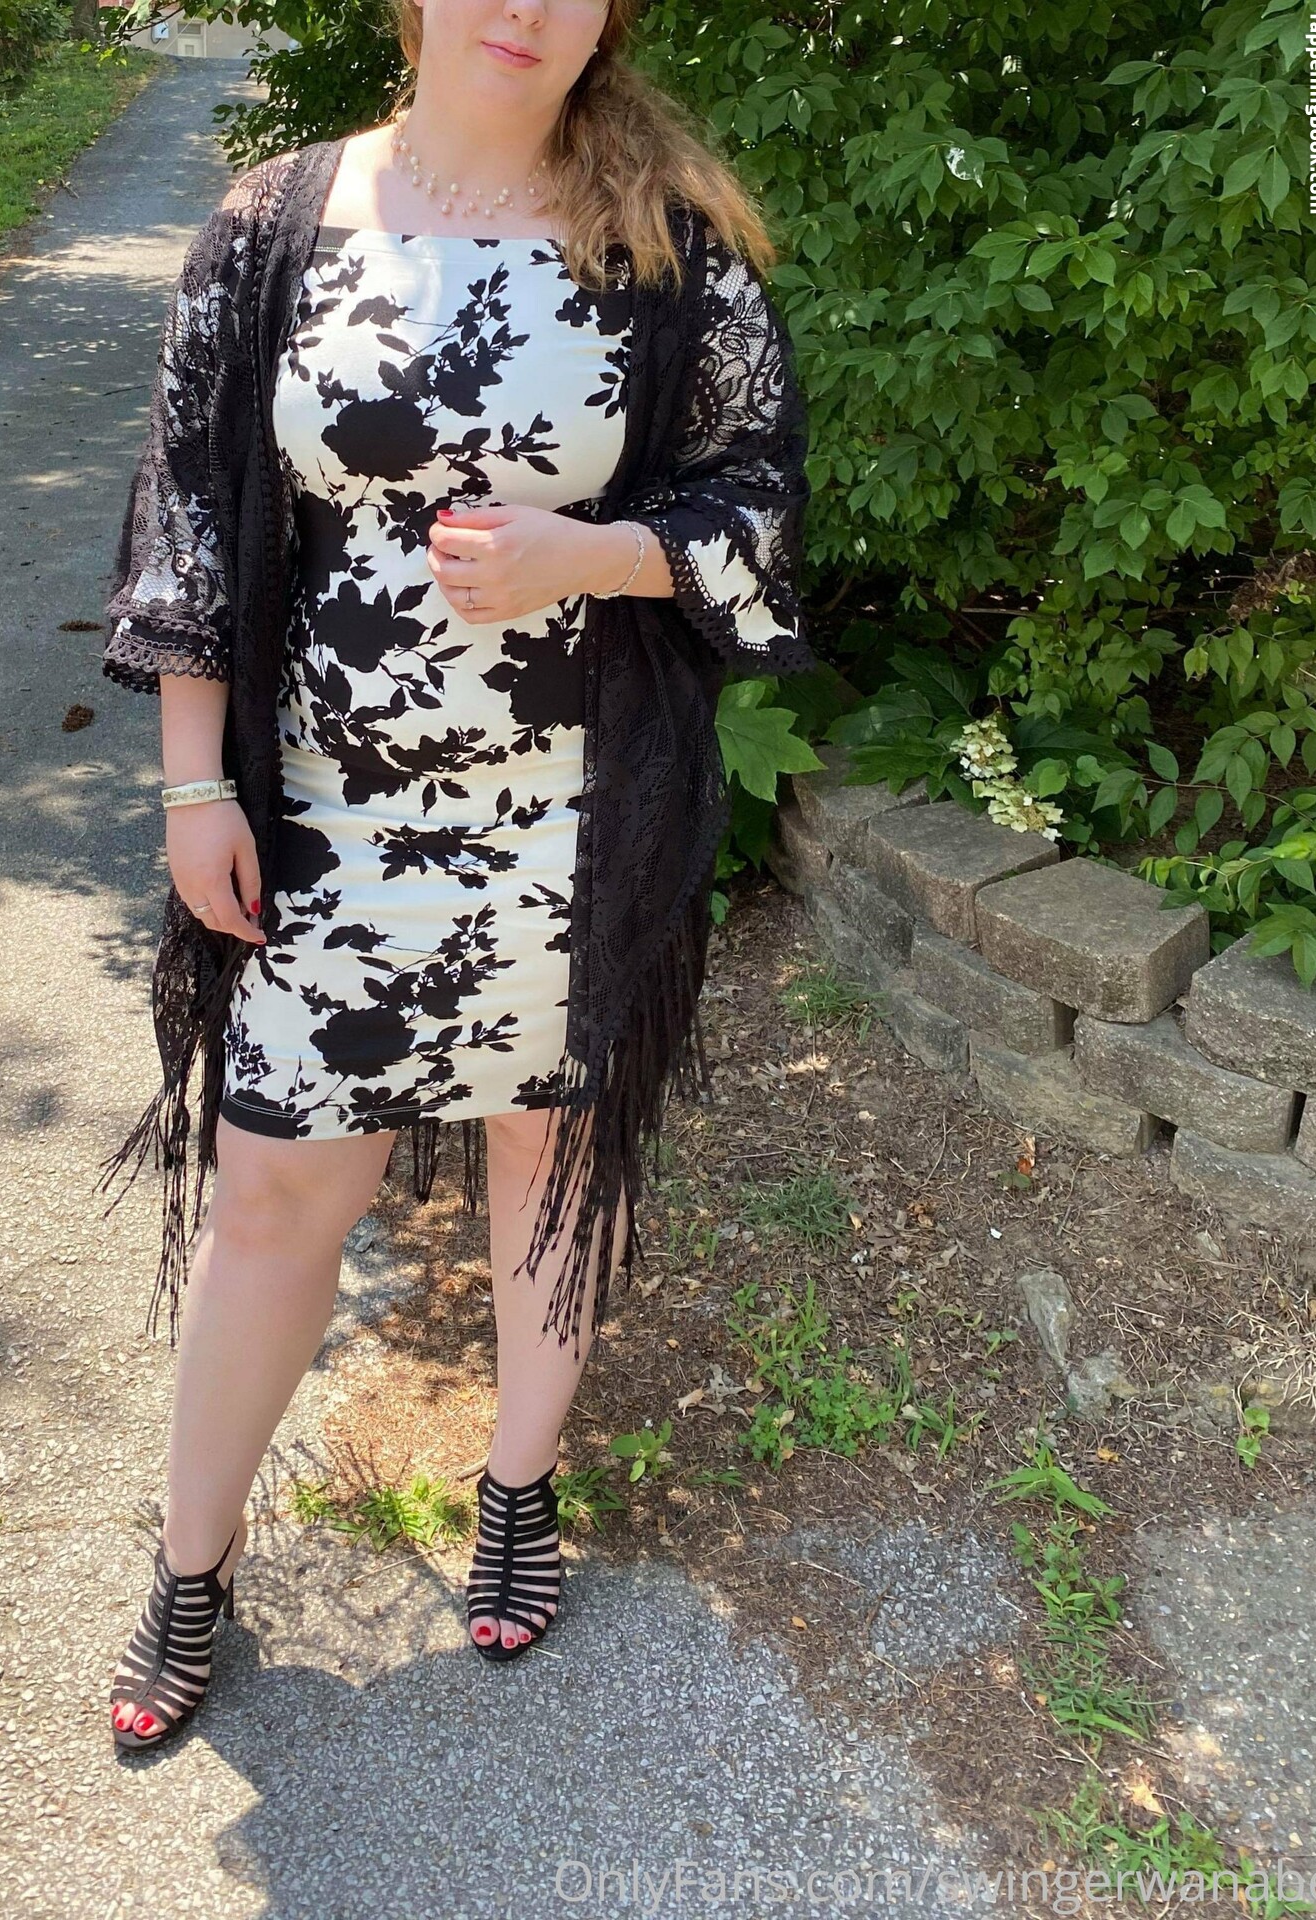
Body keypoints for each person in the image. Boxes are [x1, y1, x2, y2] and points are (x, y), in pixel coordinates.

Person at [99, 0, 815, 1752]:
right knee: (277, 1192)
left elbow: (761, 510)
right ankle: (193, 1562)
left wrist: (597, 552)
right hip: (326, 815)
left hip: (573, 817)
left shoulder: (669, 248)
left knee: (549, 1155)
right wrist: (194, 786)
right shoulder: (274, 226)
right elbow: (191, 514)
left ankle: (518, 1485)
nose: (525, 9)